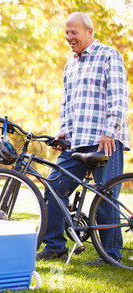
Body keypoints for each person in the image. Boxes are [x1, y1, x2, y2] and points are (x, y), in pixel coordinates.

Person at [36, 12, 130, 265]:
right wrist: (63, 131)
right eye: (66, 32)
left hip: (104, 139)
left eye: (73, 32)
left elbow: (119, 96)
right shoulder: (70, 63)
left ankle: (110, 254)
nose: (69, 37)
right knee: (54, 188)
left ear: (89, 31)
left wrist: (111, 130)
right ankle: (55, 246)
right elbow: (66, 102)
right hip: (76, 142)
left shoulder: (108, 55)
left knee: (105, 196)